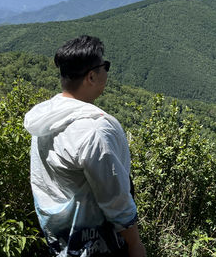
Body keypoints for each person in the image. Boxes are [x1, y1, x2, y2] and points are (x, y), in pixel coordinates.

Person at [24, 35, 146, 257]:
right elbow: (115, 199)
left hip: (60, 240)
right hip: (99, 245)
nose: (107, 72)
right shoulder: (94, 131)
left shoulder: (46, 119)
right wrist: (136, 244)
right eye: (105, 66)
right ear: (91, 76)